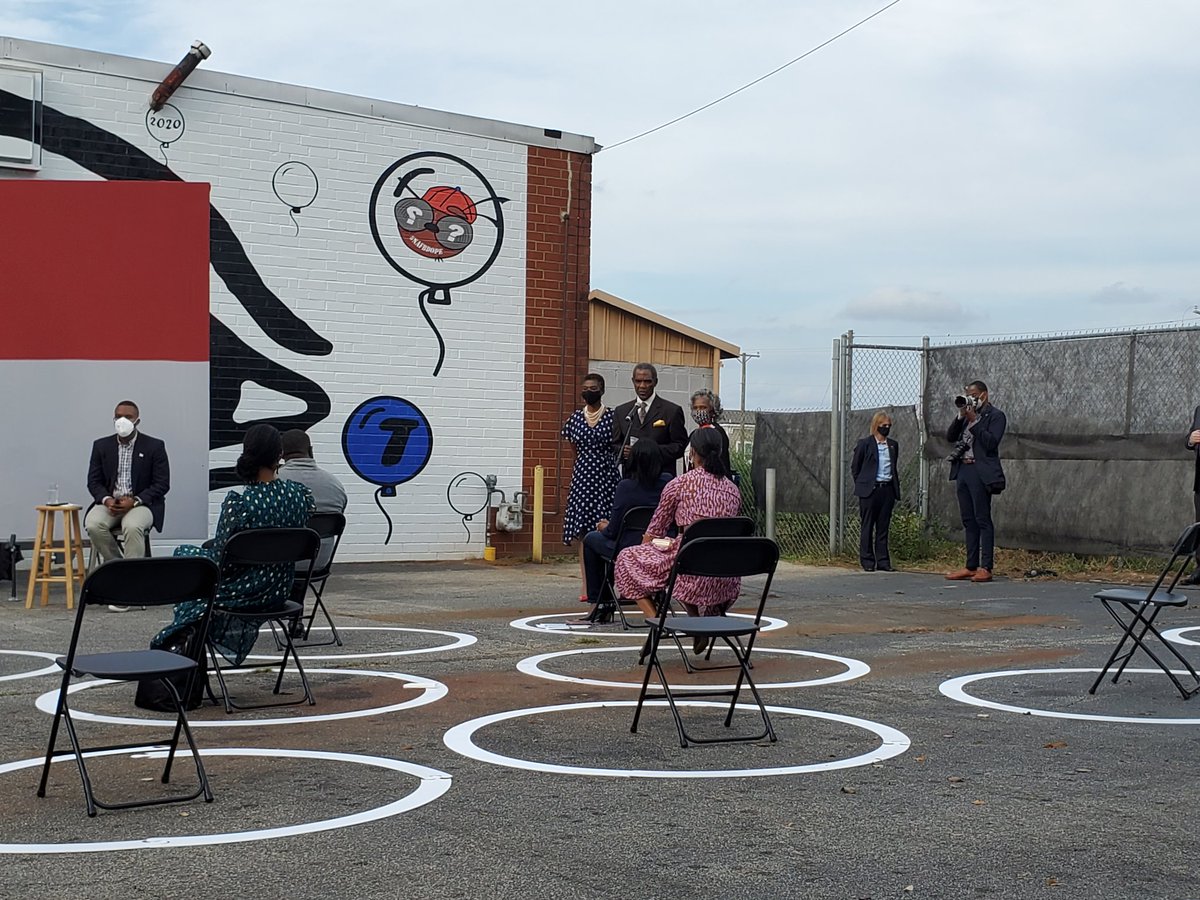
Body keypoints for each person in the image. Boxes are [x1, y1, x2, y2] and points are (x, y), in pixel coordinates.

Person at [153, 424, 314, 665]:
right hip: (280, 589)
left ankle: (181, 645)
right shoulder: (300, 495)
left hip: (245, 592)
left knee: (187, 561)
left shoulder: (240, 503)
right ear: (279, 455)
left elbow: (220, 560)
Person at [615, 428, 741, 653]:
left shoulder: (679, 484)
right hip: (725, 572)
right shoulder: (733, 490)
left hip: (688, 566)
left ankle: (656, 620)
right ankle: (696, 622)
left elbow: (655, 530)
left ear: (692, 453)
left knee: (627, 558)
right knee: (687, 560)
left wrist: (645, 554)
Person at [577, 440, 672, 616]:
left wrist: (603, 526)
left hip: (630, 547)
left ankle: (601, 601)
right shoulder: (668, 482)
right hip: (661, 545)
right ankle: (657, 595)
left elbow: (613, 532)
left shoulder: (626, 487)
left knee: (591, 539)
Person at [85, 400, 170, 565]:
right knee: (93, 525)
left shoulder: (154, 446)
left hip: (141, 503)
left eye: (128, 417)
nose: (122, 421)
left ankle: (132, 576)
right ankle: (118, 567)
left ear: (137, 420)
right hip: (110, 502)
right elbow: (93, 481)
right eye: (118, 416)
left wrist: (135, 501)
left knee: (132, 526)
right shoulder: (101, 446)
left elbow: (162, 483)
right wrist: (107, 500)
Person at [561, 373, 621, 600]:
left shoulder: (614, 417)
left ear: (602, 390)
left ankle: (611, 584)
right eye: (585, 387)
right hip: (582, 479)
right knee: (584, 533)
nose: (588, 391)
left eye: (593, 387)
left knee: (608, 530)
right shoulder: (575, 418)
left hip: (606, 478)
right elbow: (573, 449)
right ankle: (586, 586)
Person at [944, 381, 1006, 583]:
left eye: (973, 395)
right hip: (963, 469)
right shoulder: (965, 417)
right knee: (968, 519)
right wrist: (961, 415)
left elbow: (990, 442)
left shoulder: (995, 416)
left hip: (981, 471)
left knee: (982, 519)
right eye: (967, 394)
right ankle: (970, 565)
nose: (970, 398)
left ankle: (985, 566)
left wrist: (975, 421)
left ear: (984, 395)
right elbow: (950, 437)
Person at [279, 428, 347, 571]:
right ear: (310, 450)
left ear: (281, 453)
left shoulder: (273, 483)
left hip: (282, 563)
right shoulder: (335, 484)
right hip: (319, 563)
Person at [610, 362, 688, 478]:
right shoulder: (622, 411)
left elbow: (680, 446)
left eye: (647, 381)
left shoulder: (671, 411)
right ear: (633, 381)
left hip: (661, 479)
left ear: (655, 382)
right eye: (638, 381)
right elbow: (615, 445)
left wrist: (649, 452)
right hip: (632, 478)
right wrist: (623, 451)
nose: (642, 386)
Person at [851, 411, 900, 572]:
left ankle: (883, 561)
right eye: (883, 426)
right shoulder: (865, 444)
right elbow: (856, 467)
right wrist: (863, 483)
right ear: (876, 425)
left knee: (883, 527)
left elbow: (893, 466)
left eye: (888, 426)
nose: (886, 428)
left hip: (886, 490)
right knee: (867, 526)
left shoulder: (892, 445)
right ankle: (867, 560)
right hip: (870, 491)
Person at [689, 389, 732, 474]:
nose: (698, 411)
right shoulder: (693, 434)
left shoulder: (717, 433)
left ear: (712, 410)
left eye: (703, 407)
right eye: (695, 408)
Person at [1184, 408, 1200, 584]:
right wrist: (1190, 440)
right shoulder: (1199, 411)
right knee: (1199, 525)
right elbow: (1188, 439)